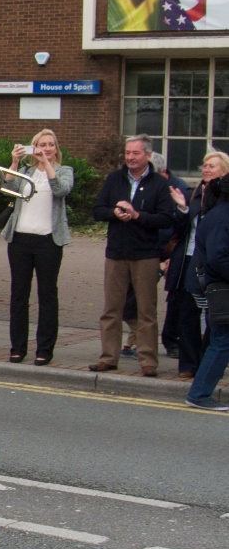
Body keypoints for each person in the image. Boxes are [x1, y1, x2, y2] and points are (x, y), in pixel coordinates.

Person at [90, 135, 181, 377]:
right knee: (111, 309)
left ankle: (148, 360)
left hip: (145, 255)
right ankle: (108, 357)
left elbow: (166, 219)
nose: (130, 157)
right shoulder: (114, 179)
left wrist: (138, 215)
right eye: (127, 153)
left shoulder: (158, 184)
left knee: (146, 311)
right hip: (116, 253)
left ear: (148, 155)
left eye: (136, 153)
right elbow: (97, 210)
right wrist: (114, 213)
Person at [1, 129, 74, 365]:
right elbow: (7, 188)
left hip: (48, 242)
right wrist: (14, 162)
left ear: (56, 148)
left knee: (47, 294)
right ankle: (17, 347)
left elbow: (61, 190)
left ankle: (44, 349)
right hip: (20, 240)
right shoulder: (25, 172)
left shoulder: (64, 171)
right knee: (19, 295)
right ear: (34, 148)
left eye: (51, 144)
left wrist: (47, 165)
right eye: (42, 145)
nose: (47, 148)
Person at [166, 152, 229, 380]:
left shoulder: (223, 198)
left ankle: (207, 364)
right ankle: (188, 365)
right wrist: (183, 209)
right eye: (204, 165)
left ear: (225, 171)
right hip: (189, 260)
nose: (206, 169)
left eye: (211, 166)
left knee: (215, 317)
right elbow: (179, 230)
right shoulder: (193, 194)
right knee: (188, 315)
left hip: (212, 263)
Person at [185, 171, 229, 410]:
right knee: (221, 342)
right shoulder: (222, 217)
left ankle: (200, 392)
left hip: (218, 287)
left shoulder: (218, 214)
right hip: (220, 288)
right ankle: (199, 393)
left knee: (220, 341)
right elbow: (217, 258)